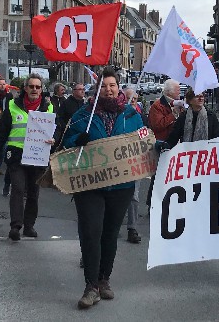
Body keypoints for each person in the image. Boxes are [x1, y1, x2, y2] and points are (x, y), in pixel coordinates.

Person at [62, 67, 143, 309]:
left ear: (118, 87)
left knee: (110, 233)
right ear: (96, 89)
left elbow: (142, 140)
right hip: (89, 185)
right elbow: (64, 142)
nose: (108, 90)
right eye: (104, 86)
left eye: (112, 85)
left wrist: (152, 141)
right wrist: (77, 141)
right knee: (91, 231)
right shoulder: (82, 115)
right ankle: (91, 286)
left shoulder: (131, 115)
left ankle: (104, 279)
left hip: (121, 185)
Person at [0, 73, 55, 241]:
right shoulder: (12, 105)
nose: (34, 89)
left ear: (41, 90)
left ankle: (29, 226)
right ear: (25, 88)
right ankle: (15, 226)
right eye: (31, 86)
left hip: (38, 156)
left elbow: (57, 129)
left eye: (37, 87)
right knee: (18, 189)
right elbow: (2, 131)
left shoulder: (49, 108)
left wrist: (54, 140)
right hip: (17, 154)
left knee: (33, 192)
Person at [146, 79, 184, 206]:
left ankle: (168, 202)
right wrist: (173, 116)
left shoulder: (177, 104)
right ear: (169, 91)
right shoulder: (157, 106)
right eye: (178, 89)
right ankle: (152, 202)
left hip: (175, 144)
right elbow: (157, 125)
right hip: (161, 144)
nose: (180, 92)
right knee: (158, 175)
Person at [124, 88, 144, 244]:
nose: (132, 101)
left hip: (134, 160)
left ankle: (132, 228)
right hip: (117, 162)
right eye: (129, 98)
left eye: (135, 98)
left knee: (134, 196)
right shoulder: (116, 116)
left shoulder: (137, 116)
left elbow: (143, 135)